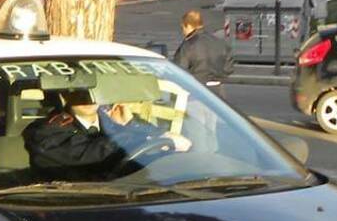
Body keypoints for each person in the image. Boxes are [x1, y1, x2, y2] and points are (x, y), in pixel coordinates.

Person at [23, 88, 190, 180]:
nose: (89, 98)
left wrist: (130, 124)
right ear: (65, 94)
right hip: (71, 205)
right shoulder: (45, 131)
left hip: (130, 196)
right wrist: (137, 135)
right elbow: (89, 152)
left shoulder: (113, 121)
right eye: (79, 91)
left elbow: (157, 139)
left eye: (94, 90)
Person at [173, 10, 235, 97]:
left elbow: (179, 70)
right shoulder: (219, 42)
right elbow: (229, 68)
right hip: (218, 89)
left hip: (197, 89)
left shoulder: (188, 45)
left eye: (183, 27)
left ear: (189, 26)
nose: (183, 31)